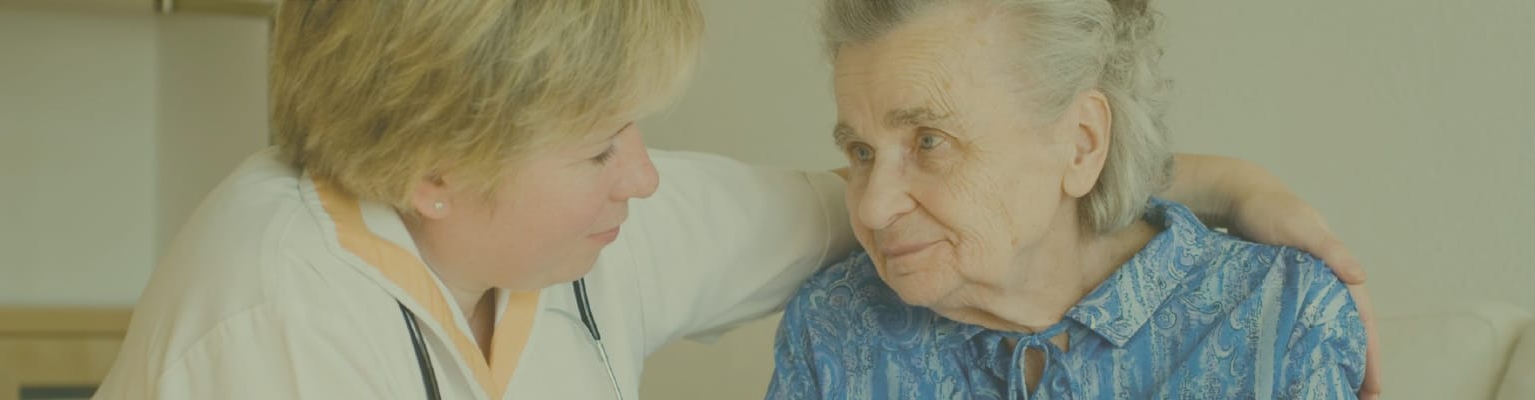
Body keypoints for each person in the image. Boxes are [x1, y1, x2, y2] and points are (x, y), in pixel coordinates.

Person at [94, 1, 1371, 399]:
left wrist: (1179, 178)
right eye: (603, 144)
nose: (646, 176)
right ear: (437, 172)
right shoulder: (270, 322)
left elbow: (865, 212)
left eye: (921, 140)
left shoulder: (589, 228)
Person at [769, 0, 1369, 398]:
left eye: (929, 141)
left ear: (1081, 144)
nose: (872, 209)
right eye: (862, 152)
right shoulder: (834, 327)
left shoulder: (1281, 317)